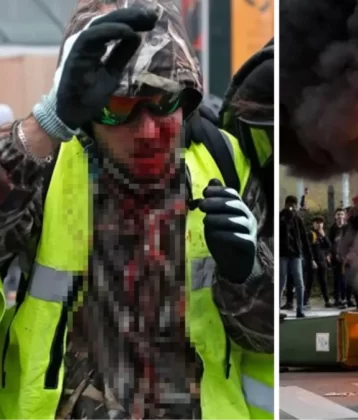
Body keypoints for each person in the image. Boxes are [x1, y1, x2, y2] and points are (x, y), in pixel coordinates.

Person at [0, 2, 273, 419]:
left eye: (163, 101)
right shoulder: (44, 163)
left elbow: (270, 341)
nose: (147, 131)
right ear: (87, 112)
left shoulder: (225, 162)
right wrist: (46, 126)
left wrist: (249, 275)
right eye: (118, 108)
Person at [279, 195, 315, 318]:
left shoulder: (297, 219)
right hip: (282, 254)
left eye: (294, 205)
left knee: (299, 282)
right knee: (281, 282)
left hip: (295, 255)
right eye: (290, 205)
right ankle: (277, 310)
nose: (291, 208)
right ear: (285, 205)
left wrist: (310, 258)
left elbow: (304, 238)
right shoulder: (280, 217)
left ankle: (300, 309)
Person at [306, 216, 332, 308]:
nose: (319, 224)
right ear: (313, 224)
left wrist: (324, 236)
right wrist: (312, 260)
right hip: (313, 262)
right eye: (317, 222)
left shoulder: (323, 234)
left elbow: (328, 246)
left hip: (322, 262)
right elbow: (308, 248)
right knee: (309, 282)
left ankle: (327, 300)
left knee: (323, 282)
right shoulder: (310, 234)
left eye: (321, 222)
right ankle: (305, 301)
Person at [328, 208, 347, 308]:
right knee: (337, 278)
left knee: (345, 279)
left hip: (346, 257)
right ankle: (337, 298)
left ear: (344, 216)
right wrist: (330, 254)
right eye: (338, 214)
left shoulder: (347, 228)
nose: (340, 216)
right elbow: (330, 243)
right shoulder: (332, 229)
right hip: (336, 257)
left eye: (341, 214)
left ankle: (345, 298)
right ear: (335, 216)